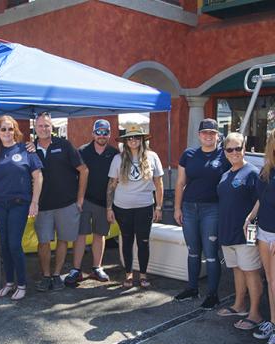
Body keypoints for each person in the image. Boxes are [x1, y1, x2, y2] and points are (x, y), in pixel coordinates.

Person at [174, 118, 230, 310]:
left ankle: (212, 295)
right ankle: (192, 288)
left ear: (217, 135)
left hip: (212, 209)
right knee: (193, 251)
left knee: (212, 253)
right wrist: (177, 208)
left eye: (212, 133)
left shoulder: (225, 155)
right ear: (199, 135)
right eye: (205, 132)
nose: (208, 136)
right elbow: (180, 183)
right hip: (189, 208)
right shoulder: (188, 154)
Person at [0, 116, 43, 300]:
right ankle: (9, 282)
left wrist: (34, 201)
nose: (6, 133)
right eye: (3, 129)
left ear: (15, 131)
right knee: (3, 245)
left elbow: (38, 177)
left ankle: (21, 284)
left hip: (19, 204)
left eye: (10, 129)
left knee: (14, 244)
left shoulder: (26, 149)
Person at [33, 112, 88, 292]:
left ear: (52, 127)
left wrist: (80, 199)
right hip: (42, 206)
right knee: (44, 242)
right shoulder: (30, 148)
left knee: (63, 240)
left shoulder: (64, 145)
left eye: (47, 125)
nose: (43, 129)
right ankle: (46, 276)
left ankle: (56, 275)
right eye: (40, 126)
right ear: (35, 128)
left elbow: (84, 170)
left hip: (66, 203)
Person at [107, 125, 164, 288]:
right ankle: (128, 275)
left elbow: (159, 183)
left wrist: (159, 207)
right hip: (122, 207)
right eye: (130, 138)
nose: (133, 140)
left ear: (142, 140)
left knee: (143, 241)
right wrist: (109, 208)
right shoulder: (118, 159)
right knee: (126, 240)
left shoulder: (152, 157)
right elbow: (111, 184)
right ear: (125, 141)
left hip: (145, 206)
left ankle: (144, 275)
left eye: (136, 137)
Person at [216, 132, 263, 330]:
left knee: (251, 272)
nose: (234, 152)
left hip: (247, 232)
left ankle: (255, 314)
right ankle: (239, 305)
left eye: (238, 148)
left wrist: (250, 220)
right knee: (236, 269)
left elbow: (262, 200)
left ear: (245, 149)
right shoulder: (226, 174)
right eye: (230, 149)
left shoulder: (253, 172)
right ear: (225, 152)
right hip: (227, 232)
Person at [65, 119, 119, 286]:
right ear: (93, 133)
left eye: (105, 132)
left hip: (104, 201)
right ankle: (76, 269)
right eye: (99, 131)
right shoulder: (82, 151)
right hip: (85, 199)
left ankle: (97, 267)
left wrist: (113, 204)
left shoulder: (114, 153)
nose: (102, 135)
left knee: (100, 234)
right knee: (80, 234)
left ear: (109, 134)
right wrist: (77, 198)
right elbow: (74, 175)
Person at [245, 129, 275, 344]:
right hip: (263, 230)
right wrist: (250, 217)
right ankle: (273, 324)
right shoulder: (268, 168)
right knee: (271, 282)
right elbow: (261, 198)